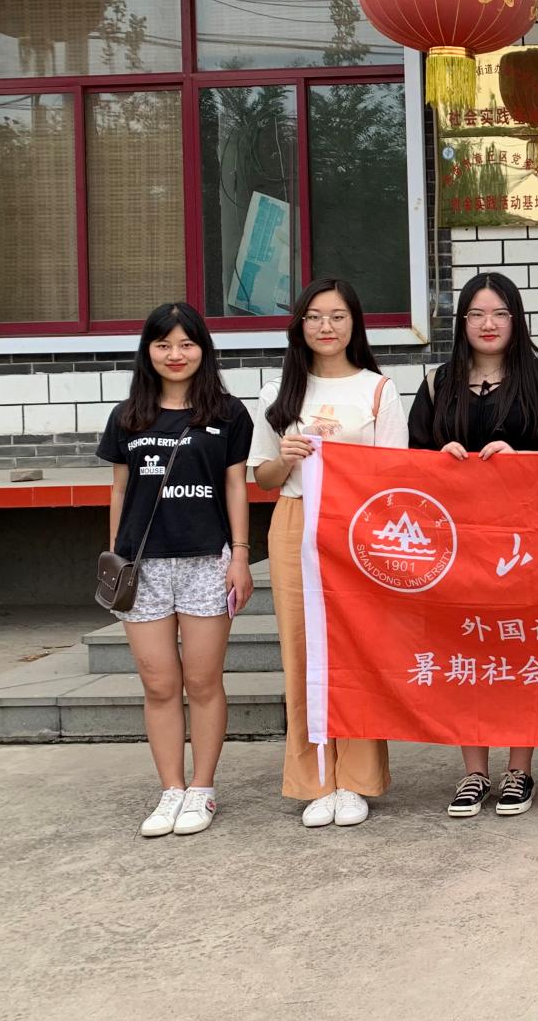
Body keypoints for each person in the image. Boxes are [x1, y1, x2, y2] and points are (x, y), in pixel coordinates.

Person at [409, 272, 538, 823]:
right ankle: (473, 771)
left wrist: (521, 459)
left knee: (522, 651)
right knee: (468, 652)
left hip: (524, 540)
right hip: (457, 543)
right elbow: (409, 460)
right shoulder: (437, 383)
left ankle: (519, 769)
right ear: (461, 322)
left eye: (500, 313)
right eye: (476, 314)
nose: (487, 324)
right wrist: (439, 460)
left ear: (516, 319)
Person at [250, 278, 408, 829]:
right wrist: (287, 458)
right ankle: (315, 780)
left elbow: (395, 474)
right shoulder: (277, 393)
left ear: (354, 324)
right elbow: (263, 478)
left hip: (360, 528)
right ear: (299, 326)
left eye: (337, 316)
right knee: (301, 650)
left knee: (356, 650)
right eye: (315, 317)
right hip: (295, 522)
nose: (326, 327)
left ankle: (357, 780)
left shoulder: (378, 389)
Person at [98, 303, 255, 839]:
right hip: (143, 567)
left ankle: (202, 788)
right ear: (148, 351)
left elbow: (235, 486)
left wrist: (240, 555)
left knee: (203, 681)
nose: (175, 354)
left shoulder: (228, 413)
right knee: (159, 683)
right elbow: (119, 491)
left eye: (186, 344)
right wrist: (115, 560)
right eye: (163, 344)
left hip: (206, 562)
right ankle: (170, 788)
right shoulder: (128, 416)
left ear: (202, 349)